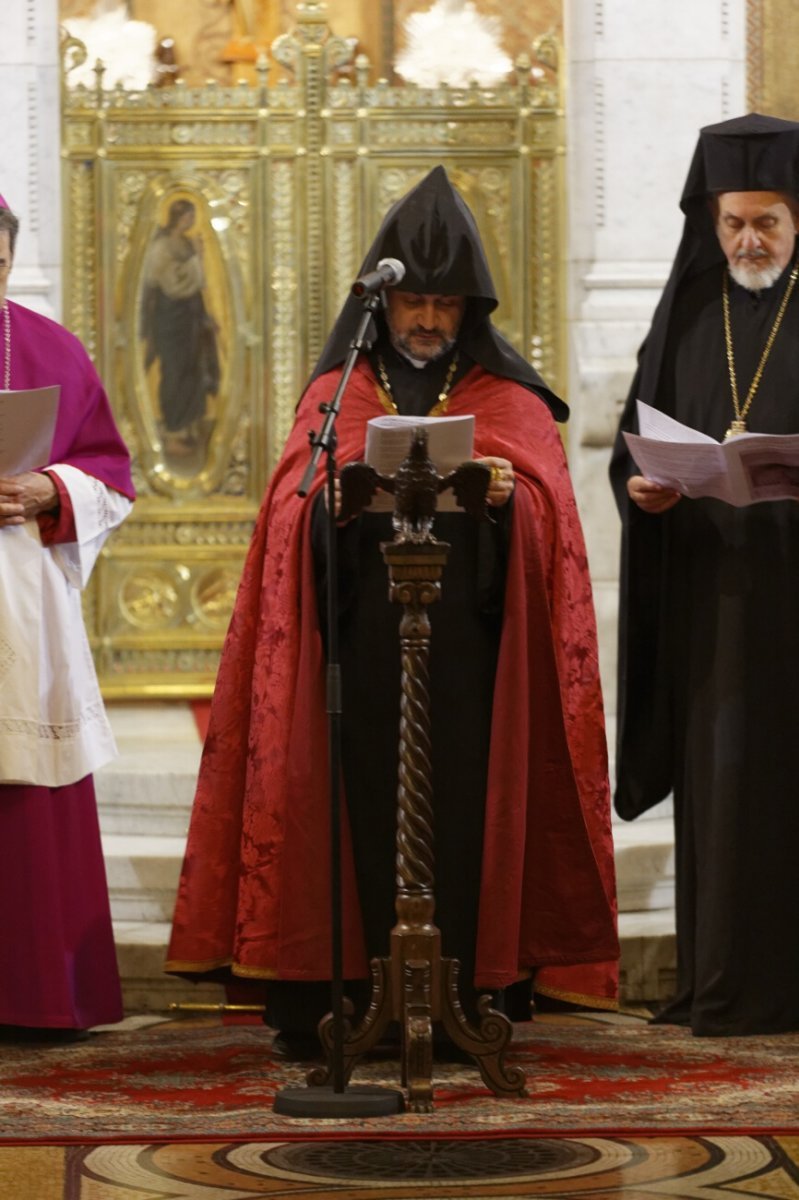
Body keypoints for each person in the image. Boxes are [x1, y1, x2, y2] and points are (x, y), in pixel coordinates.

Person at [166, 166, 618, 1056]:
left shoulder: (509, 399)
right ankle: (336, 995)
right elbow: (291, 506)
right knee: (354, 814)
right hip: (360, 652)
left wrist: (503, 497)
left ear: (469, 310)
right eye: (410, 300)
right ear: (382, 302)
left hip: (467, 665)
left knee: (460, 818)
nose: (424, 319)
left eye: (444, 305)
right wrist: (328, 503)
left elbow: (545, 521)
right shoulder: (339, 394)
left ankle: (468, 996)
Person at [610, 113, 799, 1036]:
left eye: (766, 222)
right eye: (732, 224)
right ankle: (720, 980)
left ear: (797, 221)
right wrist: (643, 488)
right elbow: (634, 447)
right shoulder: (687, 312)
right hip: (713, 601)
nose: (748, 241)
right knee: (724, 785)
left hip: (795, 595)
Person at [0, 196, 135, 1040]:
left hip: (20, 597)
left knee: (25, 797)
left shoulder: (51, 348)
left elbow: (110, 473)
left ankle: (34, 994)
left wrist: (50, 489)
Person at [140, 198, 220, 458]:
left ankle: (188, 427)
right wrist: (196, 258)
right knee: (174, 371)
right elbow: (172, 283)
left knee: (193, 370)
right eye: (188, 216)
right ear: (178, 217)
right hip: (169, 318)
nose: (191, 221)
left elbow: (198, 286)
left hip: (190, 317)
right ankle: (173, 429)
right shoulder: (161, 246)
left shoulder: (186, 242)